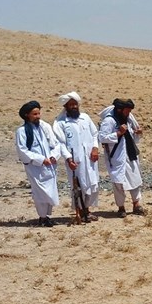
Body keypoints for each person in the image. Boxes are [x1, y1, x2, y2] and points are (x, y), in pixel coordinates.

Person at [53, 91, 100, 222]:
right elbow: (60, 143)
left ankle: (87, 210)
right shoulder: (61, 123)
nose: (74, 107)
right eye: (71, 104)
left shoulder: (85, 118)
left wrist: (95, 148)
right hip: (75, 160)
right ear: (66, 107)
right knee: (78, 186)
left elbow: (95, 134)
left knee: (92, 184)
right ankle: (79, 212)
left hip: (90, 158)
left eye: (75, 104)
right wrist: (68, 158)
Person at [15, 100, 61, 227]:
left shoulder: (44, 126)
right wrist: (40, 159)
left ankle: (46, 216)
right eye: (34, 114)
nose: (38, 117)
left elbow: (55, 144)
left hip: (49, 165)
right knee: (39, 191)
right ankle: (42, 217)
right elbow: (23, 151)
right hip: (35, 167)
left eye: (38, 113)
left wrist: (53, 156)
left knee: (50, 190)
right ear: (26, 115)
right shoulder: (22, 131)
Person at [98, 98, 146, 218]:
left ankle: (136, 204)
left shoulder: (128, 119)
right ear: (119, 109)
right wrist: (118, 133)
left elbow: (130, 135)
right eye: (127, 110)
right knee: (118, 182)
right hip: (116, 157)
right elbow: (102, 137)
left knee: (135, 179)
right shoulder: (109, 121)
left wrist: (137, 133)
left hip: (130, 154)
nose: (129, 112)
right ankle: (121, 207)